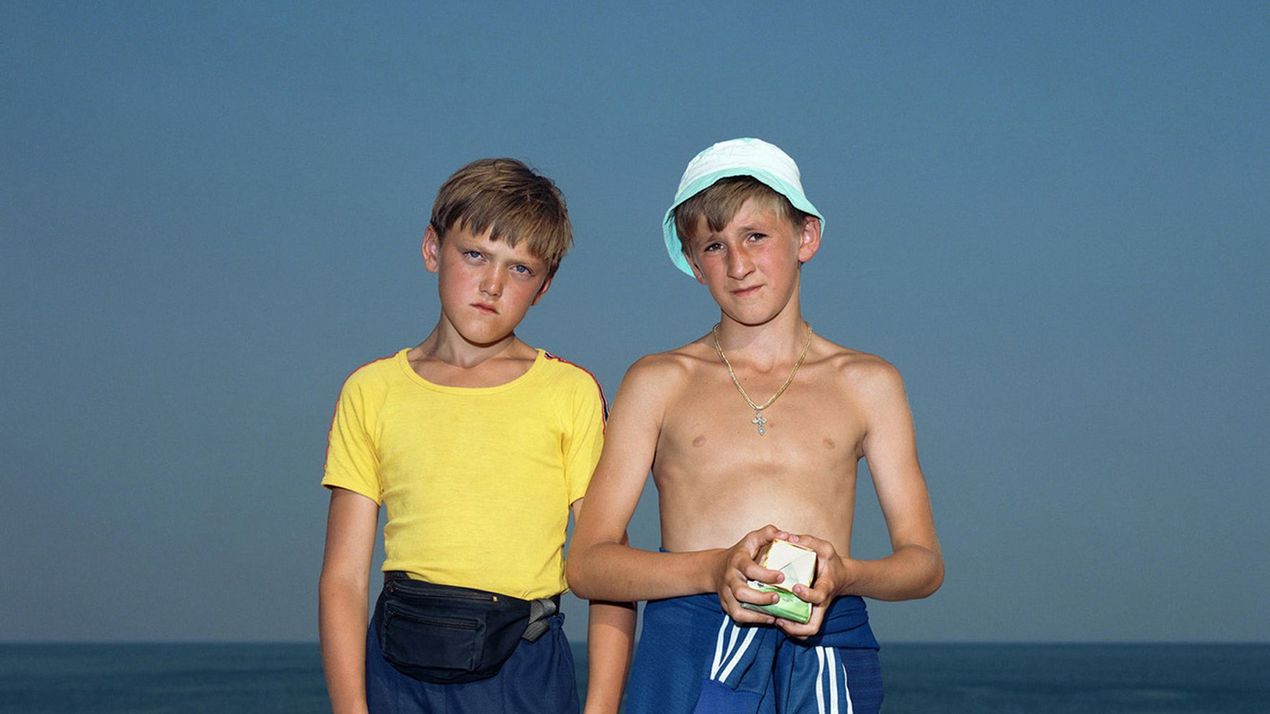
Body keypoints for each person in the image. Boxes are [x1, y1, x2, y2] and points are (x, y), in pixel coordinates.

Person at [567, 138, 942, 713]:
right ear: (694, 264)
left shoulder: (869, 383)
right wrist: (712, 568)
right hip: (689, 646)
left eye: (756, 236)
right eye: (714, 246)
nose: (738, 264)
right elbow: (588, 564)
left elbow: (923, 564)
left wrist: (846, 575)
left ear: (806, 238)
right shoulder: (658, 381)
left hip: (827, 649)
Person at [319, 157, 635, 714]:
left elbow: (609, 566)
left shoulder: (569, 391)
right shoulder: (371, 390)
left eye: (519, 269)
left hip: (524, 673)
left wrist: (602, 708)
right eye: (475, 255)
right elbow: (344, 578)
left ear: (543, 287)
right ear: (432, 249)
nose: (492, 284)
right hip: (396, 672)